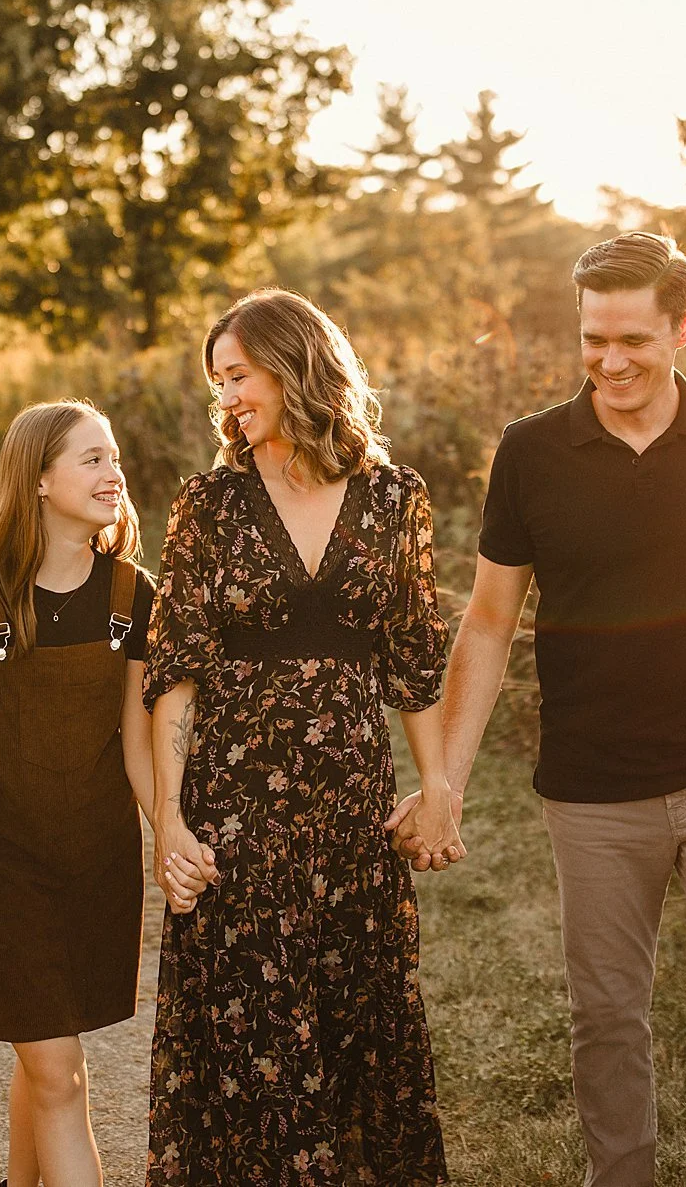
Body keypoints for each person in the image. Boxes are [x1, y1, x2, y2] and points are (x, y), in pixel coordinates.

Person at [391, 232, 686, 1187]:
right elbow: (490, 624)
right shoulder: (531, 451)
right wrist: (446, 782)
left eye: (633, 338)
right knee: (609, 1011)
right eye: (594, 339)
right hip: (591, 788)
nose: (611, 361)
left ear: (685, 328)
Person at [141, 288, 462, 1185]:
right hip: (237, 804)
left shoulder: (396, 496)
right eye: (218, 381)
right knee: (252, 1037)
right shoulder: (208, 502)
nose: (227, 396)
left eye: (238, 375)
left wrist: (436, 787)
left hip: (350, 808)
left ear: (296, 365)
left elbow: (412, 657)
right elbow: (176, 674)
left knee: (360, 1027)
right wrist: (170, 819)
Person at [0, 401, 159, 1187]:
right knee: (61, 1074)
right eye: (91, 459)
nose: (114, 474)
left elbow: (140, 744)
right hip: (6, 872)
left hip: (98, 864)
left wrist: (170, 834)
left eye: (114, 458)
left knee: (48, 1061)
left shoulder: (134, 595)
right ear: (38, 478)